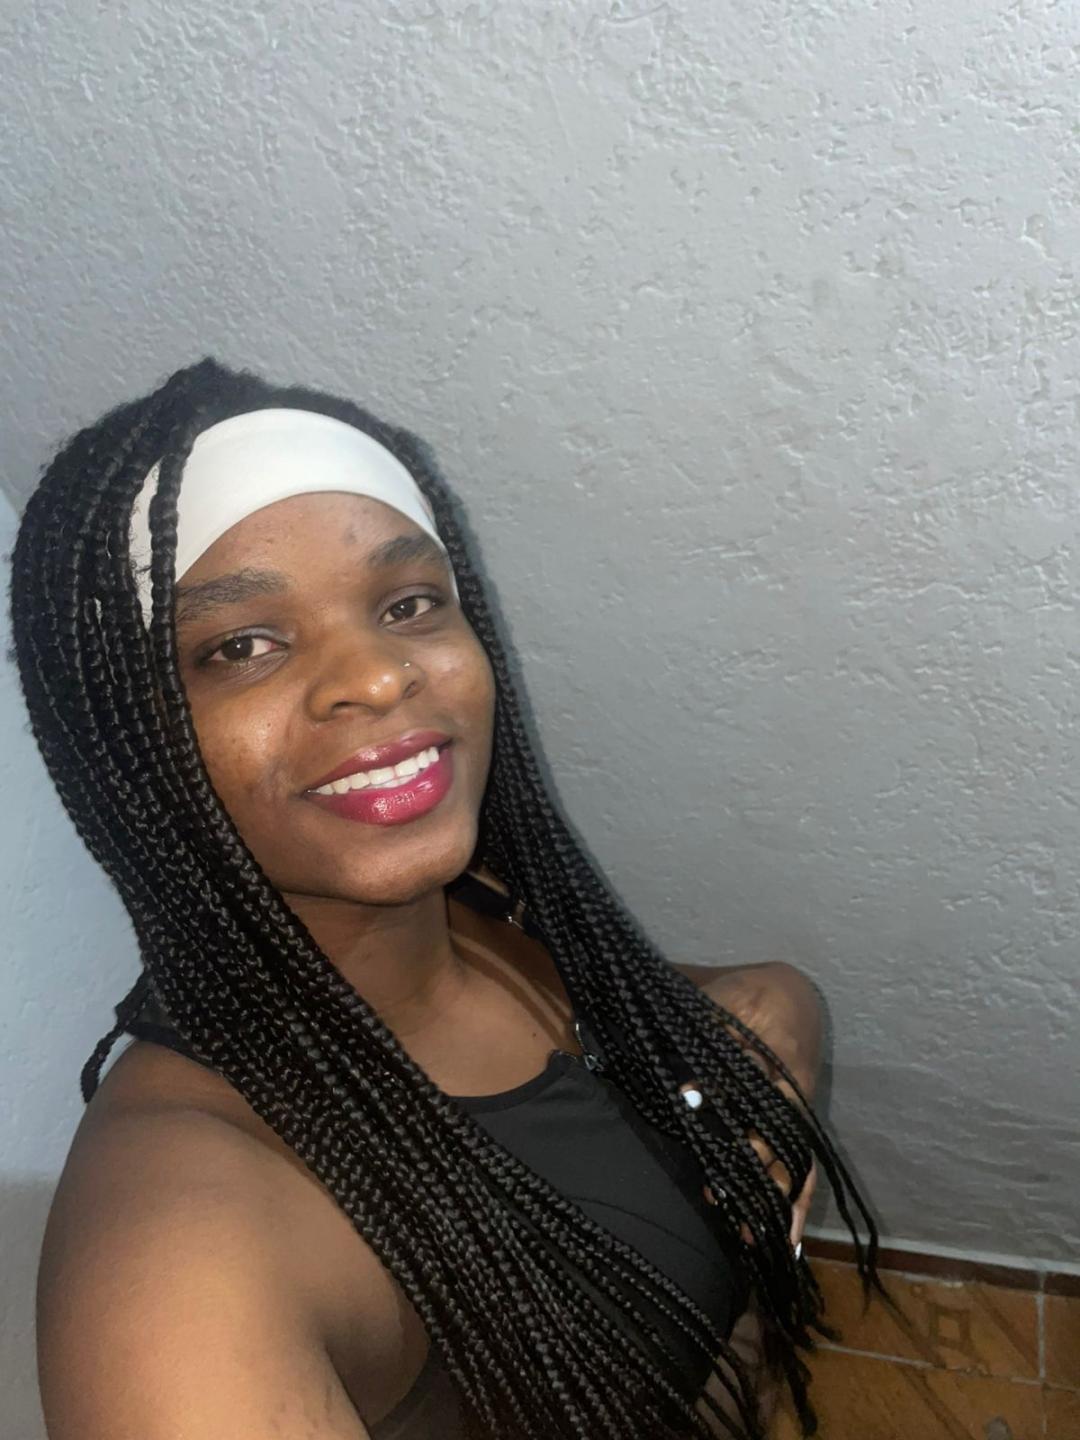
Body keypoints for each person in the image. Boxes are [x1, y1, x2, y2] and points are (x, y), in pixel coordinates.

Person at [11, 358, 880, 1440]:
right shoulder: (175, 1263)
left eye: (408, 604)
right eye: (242, 646)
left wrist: (782, 1007)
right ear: (124, 742)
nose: (379, 676)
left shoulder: (492, 913)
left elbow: (698, 1022)